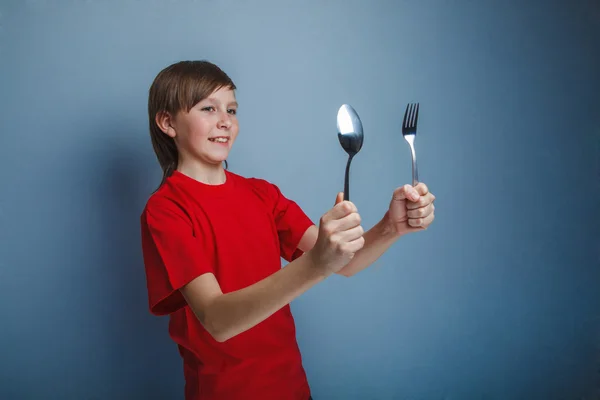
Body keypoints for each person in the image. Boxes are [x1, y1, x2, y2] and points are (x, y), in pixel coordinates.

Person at [140, 60, 436, 400]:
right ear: (167, 122)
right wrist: (315, 264)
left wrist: (391, 225)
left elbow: (346, 262)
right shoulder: (166, 210)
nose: (225, 121)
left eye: (232, 110)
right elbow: (217, 320)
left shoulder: (262, 194)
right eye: (209, 108)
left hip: (292, 388)